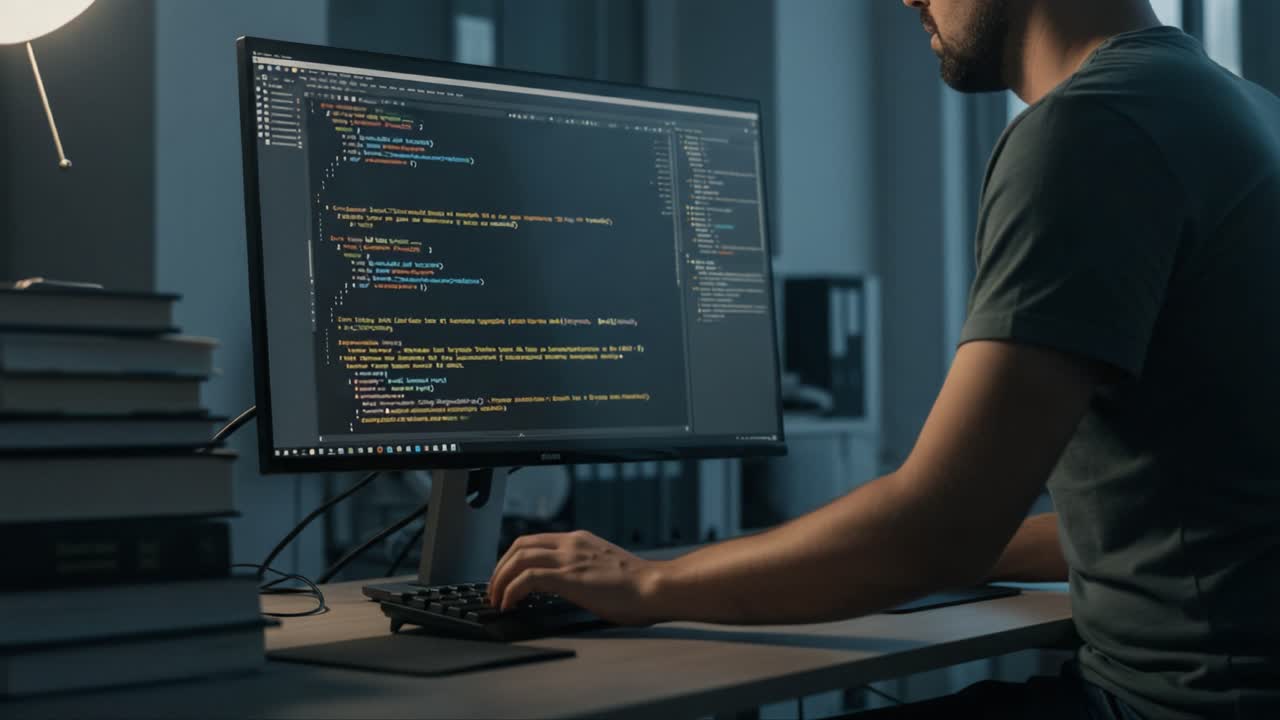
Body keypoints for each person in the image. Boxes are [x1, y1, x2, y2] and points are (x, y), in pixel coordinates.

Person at [487, 0, 1280, 716]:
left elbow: (936, 531)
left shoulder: (1091, 128)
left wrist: (652, 582)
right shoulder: (1241, 109)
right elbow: (1177, 515)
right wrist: (941, 540)